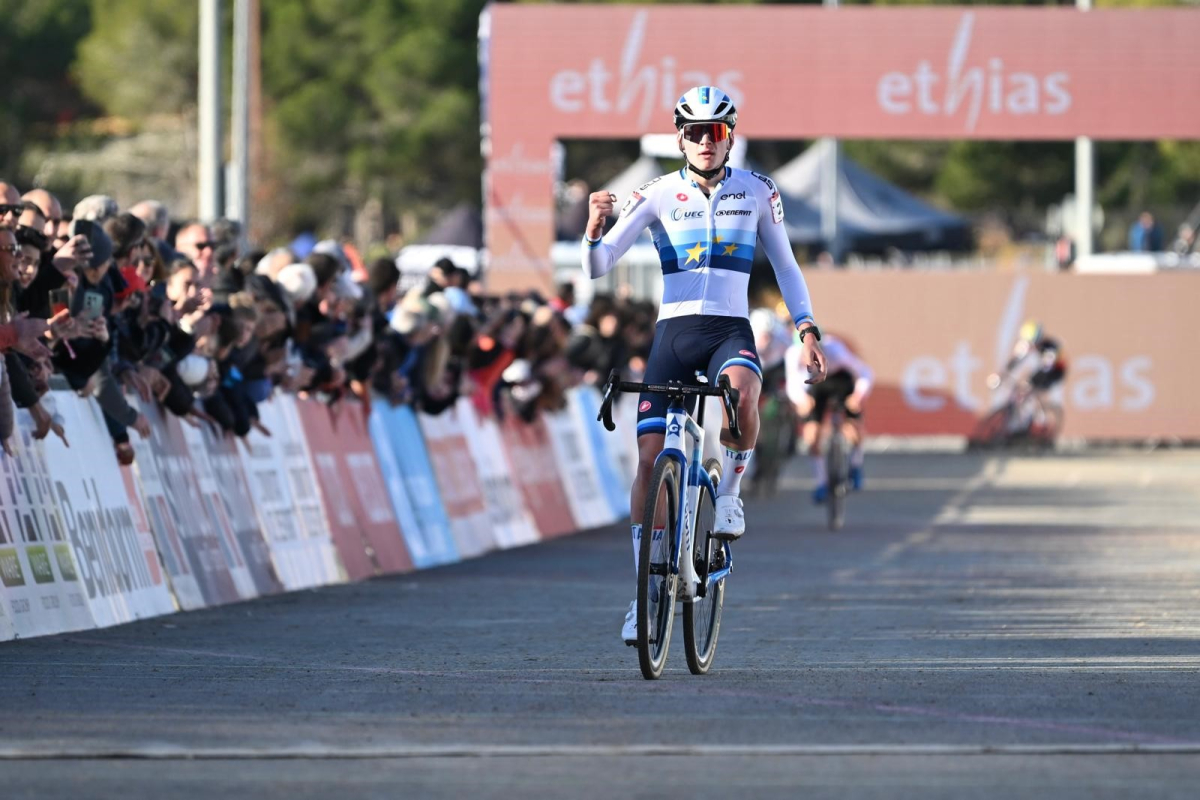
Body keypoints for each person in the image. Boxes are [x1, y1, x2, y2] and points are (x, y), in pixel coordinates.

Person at [581, 85, 827, 643]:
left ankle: (732, 498)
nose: (705, 141)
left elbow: (786, 268)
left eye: (715, 131)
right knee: (649, 458)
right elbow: (600, 264)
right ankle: (643, 594)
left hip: (728, 329)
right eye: (694, 132)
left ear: (730, 135)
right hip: (674, 334)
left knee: (742, 392)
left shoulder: (758, 191)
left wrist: (807, 329)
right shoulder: (657, 193)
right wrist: (593, 228)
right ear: (680, 137)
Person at [785, 332, 873, 503]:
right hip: (816, 385)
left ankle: (855, 465)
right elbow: (793, 383)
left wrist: (858, 395)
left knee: (852, 424)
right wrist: (801, 400)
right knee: (812, 435)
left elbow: (865, 372)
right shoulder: (792, 354)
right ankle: (821, 483)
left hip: (840, 380)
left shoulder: (836, 351)